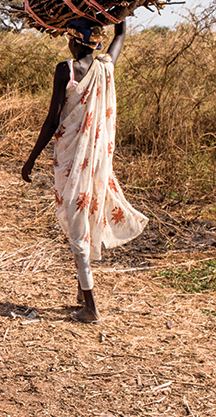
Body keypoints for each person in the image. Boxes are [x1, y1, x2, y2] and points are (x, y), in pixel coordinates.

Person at [22, 18, 147, 323]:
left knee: (78, 220)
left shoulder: (66, 69)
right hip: (97, 158)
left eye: (69, 38)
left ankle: (90, 306)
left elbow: (52, 120)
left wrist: (31, 157)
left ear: (75, 42)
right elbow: (121, 34)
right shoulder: (106, 66)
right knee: (86, 211)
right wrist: (122, 10)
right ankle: (82, 289)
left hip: (73, 156)